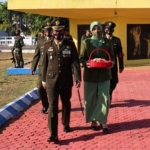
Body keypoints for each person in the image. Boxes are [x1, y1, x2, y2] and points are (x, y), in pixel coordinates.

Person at [42, 18, 81, 142]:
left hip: (65, 79)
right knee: (53, 105)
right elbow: (44, 64)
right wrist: (43, 80)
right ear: (52, 32)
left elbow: (75, 62)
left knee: (66, 103)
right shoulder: (47, 45)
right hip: (51, 80)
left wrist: (77, 78)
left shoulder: (69, 44)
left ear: (64, 31)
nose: (57, 33)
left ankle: (66, 123)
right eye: (55, 31)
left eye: (60, 31)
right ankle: (53, 133)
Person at [79, 21, 115, 133]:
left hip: (104, 75)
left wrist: (110, 62)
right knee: (90, 98)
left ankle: (103, 121)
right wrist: (86, 63)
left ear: (101, 29)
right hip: (90, 75)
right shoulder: (86, 42)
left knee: (104, 98)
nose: (96, 30)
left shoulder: (108, 42)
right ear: (91, 30)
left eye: (98, 28)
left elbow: (112, 57)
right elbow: (81, 57)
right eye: (94, 28)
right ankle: (93, 120)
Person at [104, 21, 124, 106]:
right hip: (103, 65)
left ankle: (109, 95)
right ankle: (107, 100)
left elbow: (120, 54)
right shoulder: (101, 39)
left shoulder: (116, 40)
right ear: (105, 29)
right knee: (105, 83)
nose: (109, 31)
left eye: (111, 29)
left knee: (113, 82)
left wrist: (121, 66)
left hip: (113, 65)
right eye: (108, 29)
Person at [30, 29, 49, 114]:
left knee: (54, 89)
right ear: (44, 32)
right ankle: (45, 104)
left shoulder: (55, 41)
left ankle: (53, 106)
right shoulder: (40, 42)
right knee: (40, 88)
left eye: (49, 31)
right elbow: (36, 56)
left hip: (52, 68)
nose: (48, 32)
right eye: (46, 31)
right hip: (42, 69)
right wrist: (33, 68)